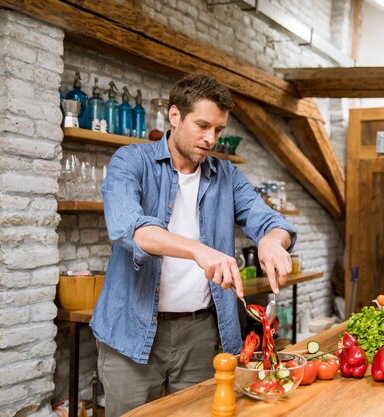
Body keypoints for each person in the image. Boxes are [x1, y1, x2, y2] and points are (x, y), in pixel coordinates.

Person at [89, 73, 296, 416]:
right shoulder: (131, 162)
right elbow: (131, 230)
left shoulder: (227, 176)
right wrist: (199, 250)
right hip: (132, 329)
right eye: (202, 125)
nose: (210, 138)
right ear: (174, 116)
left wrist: (273, 242)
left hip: (202, 335)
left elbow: (271, 221)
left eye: (218, 130)